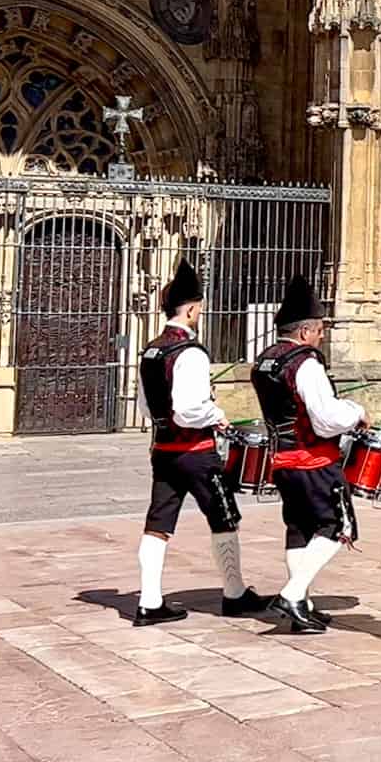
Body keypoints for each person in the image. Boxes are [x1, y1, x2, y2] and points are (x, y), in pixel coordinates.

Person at [134, 259, 269, 626]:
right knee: (224, 517)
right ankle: (235, 592)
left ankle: (148, 601)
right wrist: (217, 415)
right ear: (191, 309)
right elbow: (190, 408)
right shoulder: (190, 352)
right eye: (200, 308)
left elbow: (147, 405)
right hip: (196, 452)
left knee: (158, 524)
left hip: (163, 450)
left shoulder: (151, 350)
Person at [250, 274, 364, 634]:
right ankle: (291, 593)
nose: (321, 336)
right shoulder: (306, 363)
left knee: (299, 529)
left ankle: (302, 605)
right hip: (312, 459)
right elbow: (325, 418)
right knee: (337, 526)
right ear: (303, 332)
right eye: (318, 330)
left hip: (281, 460)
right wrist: (356, 412)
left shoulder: (264, 361)